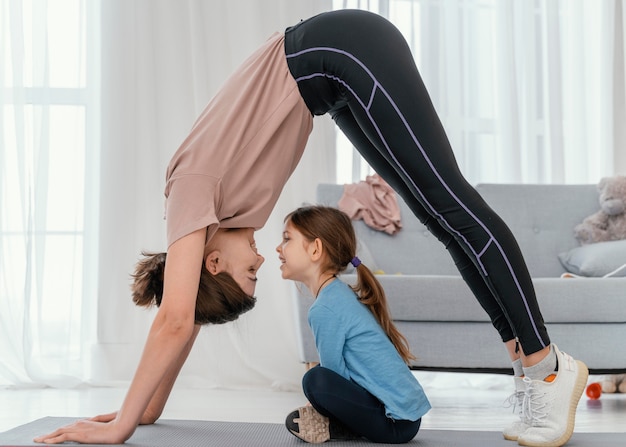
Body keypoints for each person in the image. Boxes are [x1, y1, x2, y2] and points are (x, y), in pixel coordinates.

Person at [35, 9, 587, 446]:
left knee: (453, 204)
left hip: (339, 52)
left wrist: (122, 424)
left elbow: (176, 318)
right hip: (332, 75)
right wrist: (152, 407)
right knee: (440, 218)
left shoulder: (191, 191)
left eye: (250, 275)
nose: (260, 263)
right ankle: (526, 363)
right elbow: (191, 312)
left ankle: (547, 367)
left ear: (213, 263)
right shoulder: (216, 220)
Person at [277, 205, 430, 444]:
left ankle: (339, 426)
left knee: (315, 380)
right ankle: (342, 426)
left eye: (287, 239)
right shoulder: (338, 295)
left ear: (315, 249)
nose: (279, 248)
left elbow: (332, 374)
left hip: (395, 423)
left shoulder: (326, 307)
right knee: (318, 379)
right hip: (405, 419)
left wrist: (316, 402)